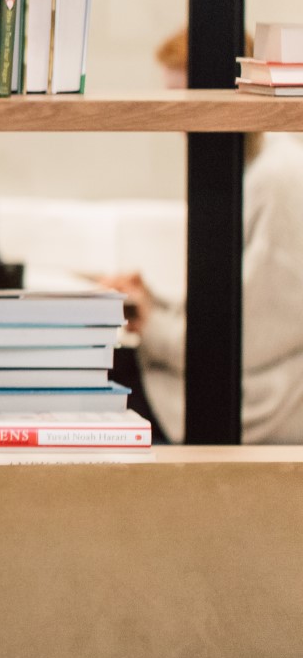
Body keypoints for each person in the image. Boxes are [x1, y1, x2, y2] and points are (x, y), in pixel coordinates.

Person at [102, 29, 303, 443]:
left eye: (186, 107)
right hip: (207, 387)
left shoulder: (280, 179)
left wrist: (151, 324)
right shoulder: (246, 170)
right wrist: (152, 303)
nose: (180, 127)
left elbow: (240, 343)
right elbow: (233, 306)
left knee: (93, 378)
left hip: (248, 407)